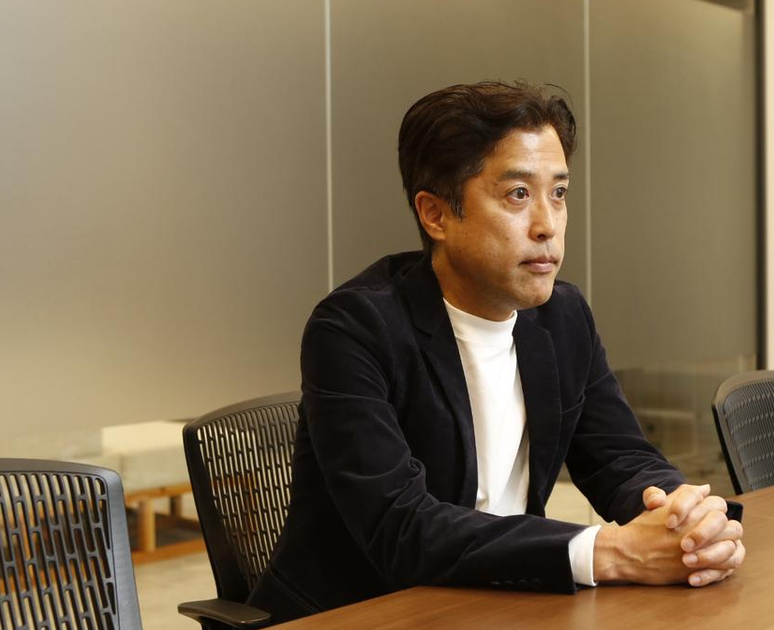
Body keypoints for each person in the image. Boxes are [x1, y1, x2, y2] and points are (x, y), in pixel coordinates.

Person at [247, 81, 745, 622]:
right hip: (363, 613)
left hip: (505, 601)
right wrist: (609, 552)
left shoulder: (563, 317)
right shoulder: (355, 328)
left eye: (559, 193)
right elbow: (401, 527)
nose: (547, 225)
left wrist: (687, 520)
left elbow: (619, 458)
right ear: (436, 214)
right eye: (518, 195)